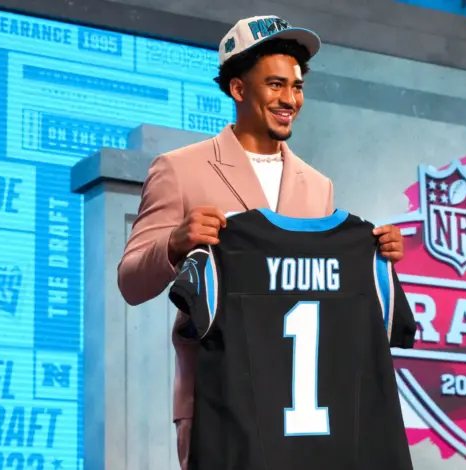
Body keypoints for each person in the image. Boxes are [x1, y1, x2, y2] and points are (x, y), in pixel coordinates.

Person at [116, 15, 405, 470]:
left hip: (305, 415)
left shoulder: (318, 185)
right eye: (275, 85)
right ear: (238, 89)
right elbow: (130, 283)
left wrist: (380, 254)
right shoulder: (179, 169)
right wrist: (174, 242)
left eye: (297, 87)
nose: (290, 99)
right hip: (220, 405)